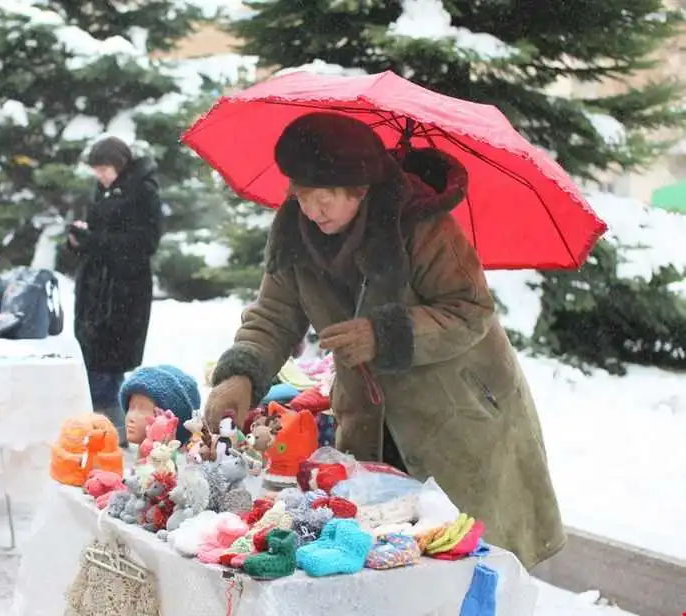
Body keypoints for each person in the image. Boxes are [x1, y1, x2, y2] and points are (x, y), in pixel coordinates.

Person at [202, 112, 565, 570]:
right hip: (370, 423)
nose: (313, 212)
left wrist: (385, 334)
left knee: (462, 560)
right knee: (385, 560)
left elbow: (470, 310)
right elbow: (273, 317)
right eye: (301, 197)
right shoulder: (295, 234)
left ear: (360, 189)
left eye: (326, 198)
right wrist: (240, 375)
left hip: (458, 416)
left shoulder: (423, 227)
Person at [69, 136, 163, 445]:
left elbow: (144, 242)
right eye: (97, 170)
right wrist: (78, 240)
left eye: (105, 169)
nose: (101, 176)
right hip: (96, 291)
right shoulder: (104, 190)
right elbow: (99, 232)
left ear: (120, 165)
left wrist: (95, 243)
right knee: (98, 361)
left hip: (123, 292)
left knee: (107, 362)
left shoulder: (142, 190)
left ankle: (108, 432)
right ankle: (107, 428)